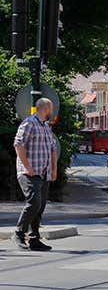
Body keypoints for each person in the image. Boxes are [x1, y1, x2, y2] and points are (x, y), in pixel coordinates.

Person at [12, 98, 57, 251]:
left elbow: (52, 149)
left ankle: (34, 239)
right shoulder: (29, 123)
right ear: (46, 109)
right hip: (29, 172)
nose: (52, 112)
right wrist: (27, 167)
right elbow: (18, 144)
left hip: (43, 173)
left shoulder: (45, 127)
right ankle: (19, 232)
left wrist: (53, 170)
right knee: (34, 203)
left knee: (40, 206)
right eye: (51, 109)